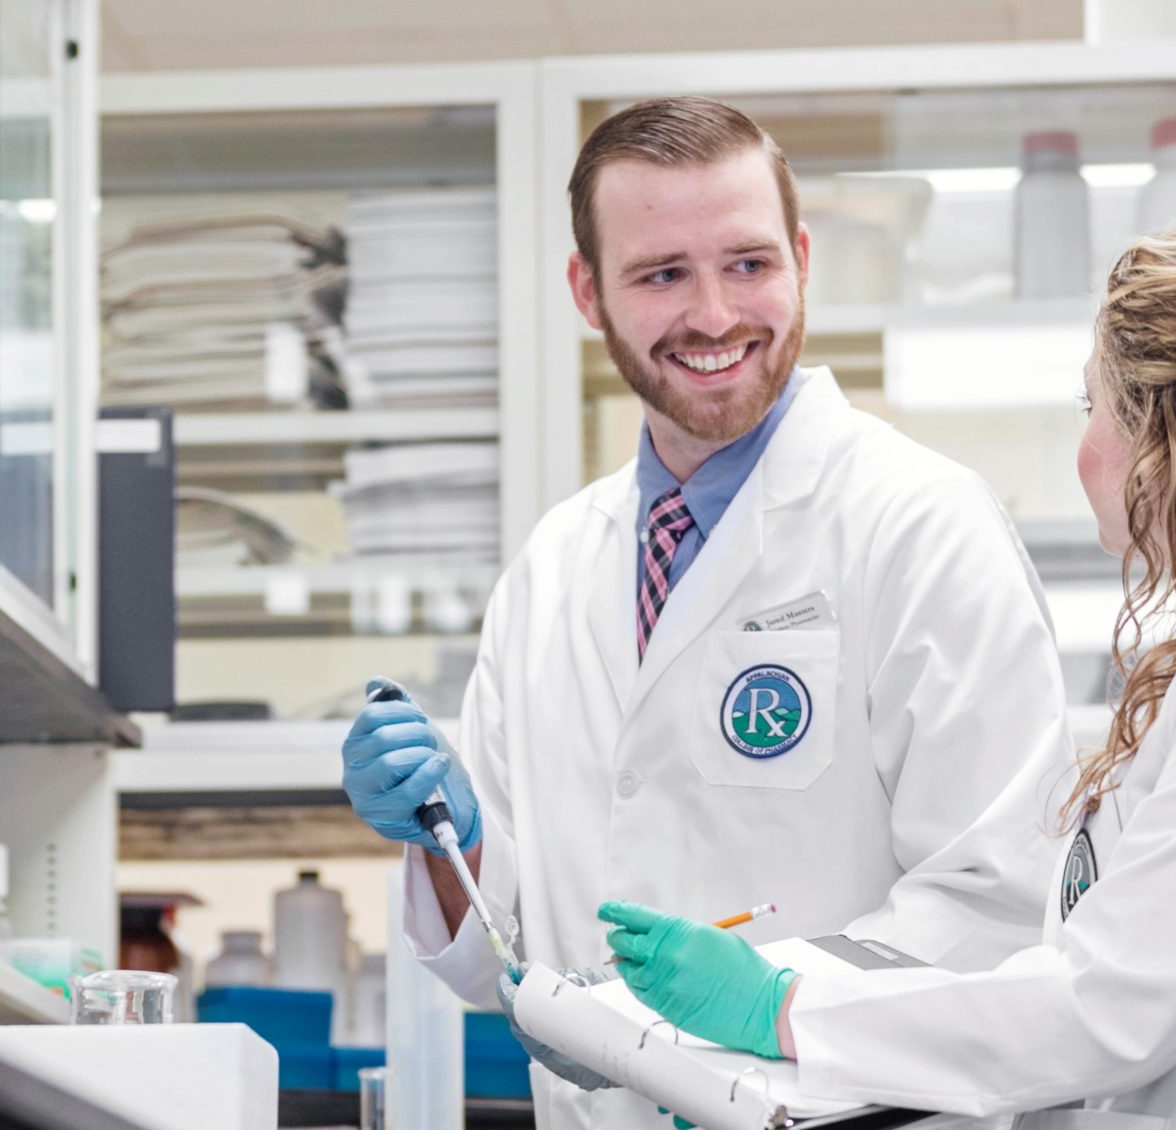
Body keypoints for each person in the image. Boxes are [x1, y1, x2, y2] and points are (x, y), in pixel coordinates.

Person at [339, 96, 1075, 1128]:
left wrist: (764, 1018)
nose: (717, 315)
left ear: (801, 257)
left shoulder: (918, 524)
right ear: (587, 291)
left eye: (747, 264)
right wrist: (446, 842)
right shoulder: (550, 571)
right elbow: (504, 955)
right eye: (660, 274)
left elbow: (997, 902)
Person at [603, 227, 1176, 1128]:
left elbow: (1109, 1007)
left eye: (1091, 406)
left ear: (1168, 439)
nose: (1086, 445)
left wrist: (781, 1011)